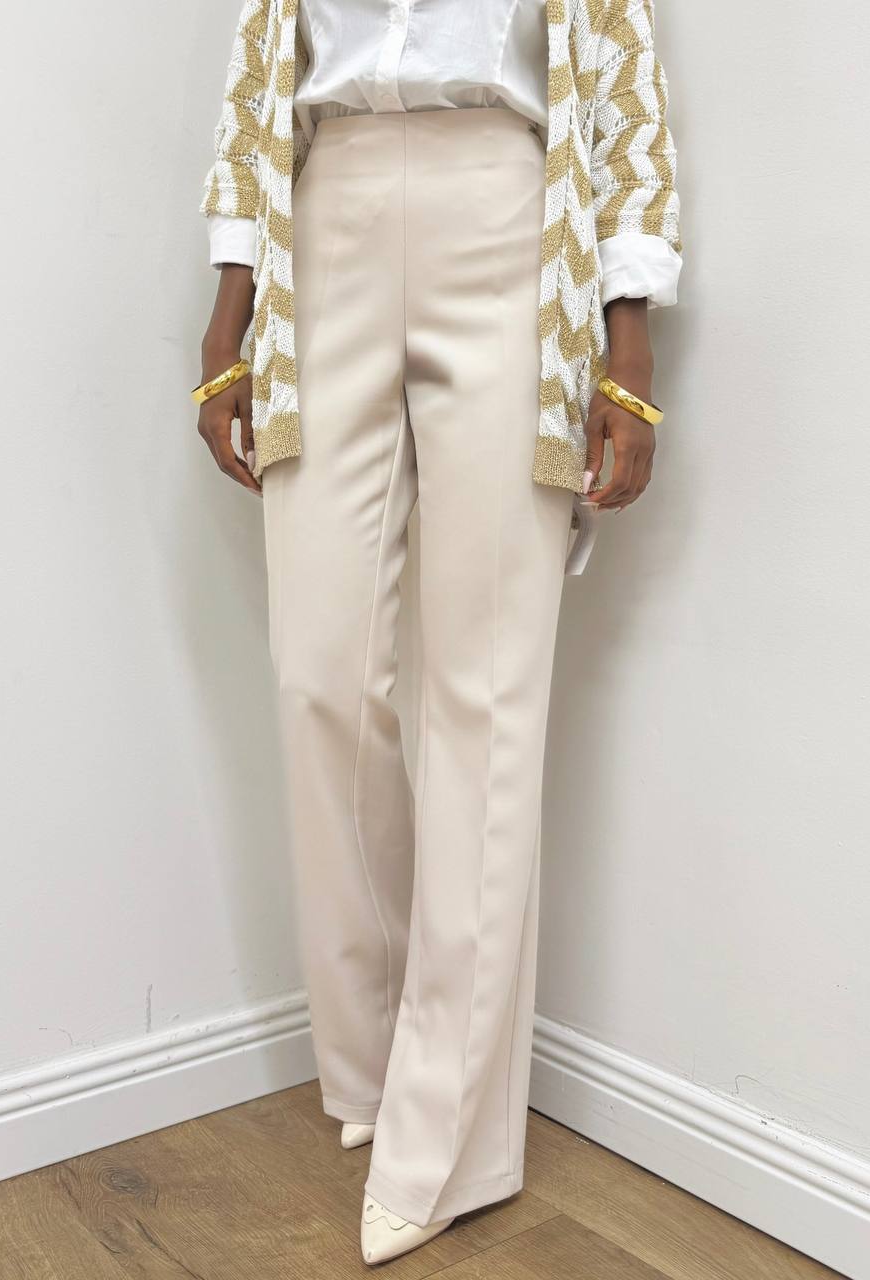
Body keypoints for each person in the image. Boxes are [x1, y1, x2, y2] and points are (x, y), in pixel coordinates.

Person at [194, 0, 681, 1264]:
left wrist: (625, 341)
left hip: (507, 218)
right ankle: (371, 1059)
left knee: (485, 691)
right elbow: (261, 72)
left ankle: (447, 1134)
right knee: (317, 673)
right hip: (325, 222)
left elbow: (624, 89)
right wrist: (229, 308)